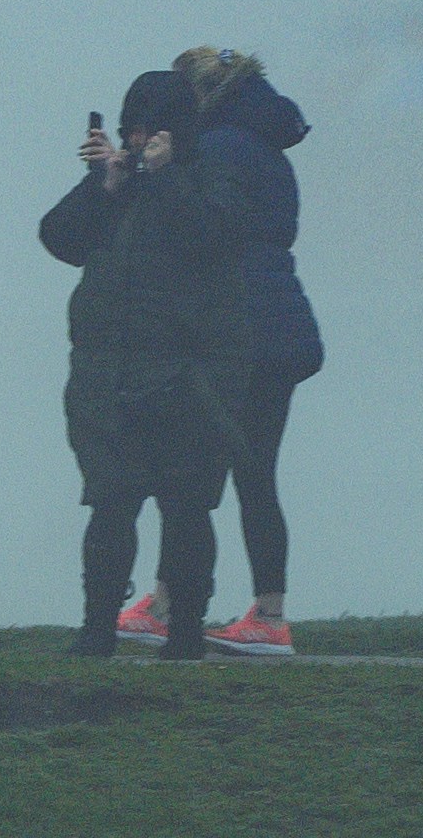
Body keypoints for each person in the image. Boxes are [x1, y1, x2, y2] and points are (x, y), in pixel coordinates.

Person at [34, 64, 253, 657]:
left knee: (186, 509)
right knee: (109, 505)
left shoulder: (213, 176)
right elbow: (58, 238)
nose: (137, 138)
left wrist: (163, 179)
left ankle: (184, 635)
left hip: (191, 375)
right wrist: (101, 185)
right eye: (131, 127)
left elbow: (216, 235)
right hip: (106, 376)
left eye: (150, 129)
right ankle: (96, 630)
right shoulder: (118, 183)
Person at [169, 45, 326, 654]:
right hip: (281, 323)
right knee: (256, 472)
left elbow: (199, 232)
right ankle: (269, 612)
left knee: (193, 467)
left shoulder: (213, 150)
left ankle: (171, 605)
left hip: (235, 327)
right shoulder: (264, 150)